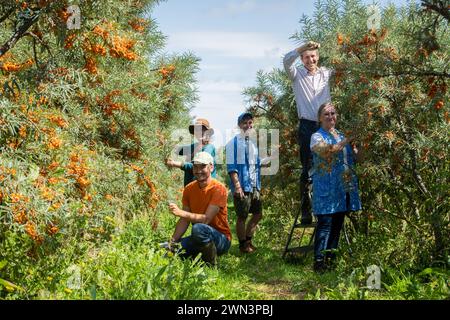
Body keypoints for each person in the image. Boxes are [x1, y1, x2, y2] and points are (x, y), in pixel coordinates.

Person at [283, 41, 333, 225]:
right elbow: (286, 61)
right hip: (306, 126)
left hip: (326, 125)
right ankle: (306, 209)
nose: (310, 60)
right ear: (302, 59)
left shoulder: (326, 73)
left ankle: (327, 205)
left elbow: (344, 66)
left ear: (318, 57)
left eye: (313, 56)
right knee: (307, 167)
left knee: (329, 163)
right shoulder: (296, 74)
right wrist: (302, 47)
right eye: (306, 57)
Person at [310, 102, 362, 272]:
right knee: (325, 224)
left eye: (333, 113)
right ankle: (318, 262)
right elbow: (328, 151)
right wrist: (348, 139)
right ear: (319, 118)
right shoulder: (317, 137)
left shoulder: (341, 135)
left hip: (342, 188)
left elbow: (358, 158)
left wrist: (357, 146)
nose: (330, 116)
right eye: (326, 114)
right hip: (326, 187)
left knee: (338, 225)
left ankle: (330, 261)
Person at [168, 151, 231, 265]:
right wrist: (172, 242)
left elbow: (206, 219)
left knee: (199, 228)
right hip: (198, 237)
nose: (198, 170)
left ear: (211, 167)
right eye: (195, 167)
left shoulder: (219, 189)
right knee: (174, 249)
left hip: (221, 239)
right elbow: (184, 220)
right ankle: (200, 256)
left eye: (202, 166)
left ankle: (210, 264)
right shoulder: (189, 189)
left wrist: (180, 212)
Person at [226, 112, 263, 254]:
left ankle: (248, 241)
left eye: (250, 122)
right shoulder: (233, 144)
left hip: (254, 185)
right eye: (245, 123)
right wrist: (237, 185)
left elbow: (256, 165)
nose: (248, 125)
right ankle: (242, 245)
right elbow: (232, 167)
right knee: (242, 216)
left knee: (258, 214)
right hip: (242, 185)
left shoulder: (253, 144)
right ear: (239, 125)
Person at [166, 118, 216, 186]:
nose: (199, 132)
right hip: (191, 188)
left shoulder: (209, 148)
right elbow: (177, 150)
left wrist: (174, 163)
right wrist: (166, 142)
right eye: (197, 130)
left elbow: (199, 165)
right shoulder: (194, 146)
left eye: (202, 130)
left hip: (205, 187)